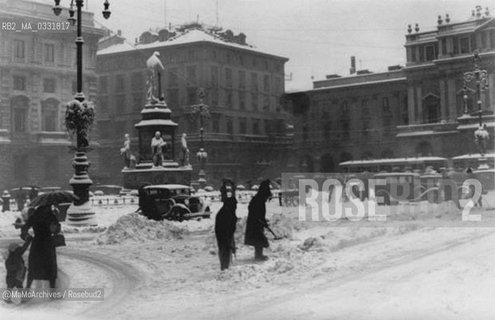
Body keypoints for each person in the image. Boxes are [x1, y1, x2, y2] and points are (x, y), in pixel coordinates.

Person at [21, 205, 61, 289]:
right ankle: (52, 290)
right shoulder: (51, 216)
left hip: (37, 243)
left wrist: (27, 236)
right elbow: (57, 230)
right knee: (50, 267)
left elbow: (24, 228)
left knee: (34, 267)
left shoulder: (35, 216)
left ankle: (27, 289)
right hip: (48, 244)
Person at [245, 179, 272, 261]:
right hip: (255, 222)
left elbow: (259, 212)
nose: (266, 199)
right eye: (267, 197)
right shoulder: (259, 200)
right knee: (259, 238)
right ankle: (258, 255)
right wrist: (259, 219)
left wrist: (263, 221)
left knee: (258, 239)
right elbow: (254, 210)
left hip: (256, 221)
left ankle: (258, 254)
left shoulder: (259, 198)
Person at [215, 179, 238, 270]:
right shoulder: (227, 212)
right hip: (223, 232)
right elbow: (228, 228)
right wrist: (230, 241)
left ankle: (225, 266)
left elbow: (225, 196)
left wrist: (231, 187)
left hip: (224, 231)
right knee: (224, 248)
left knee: (225, 248)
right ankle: (224, 267)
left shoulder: (227, 208)